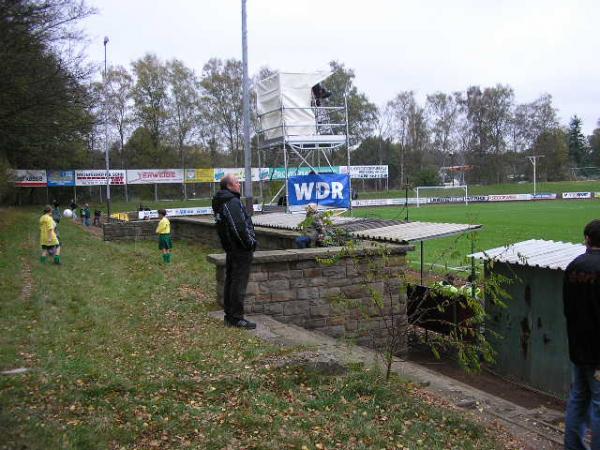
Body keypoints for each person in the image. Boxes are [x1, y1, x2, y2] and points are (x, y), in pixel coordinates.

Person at [563, 219, 600, 450]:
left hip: (578, 347)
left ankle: (573, 446)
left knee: (578, 399)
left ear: (587, 238)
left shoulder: (573, 266)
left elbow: (567, 308)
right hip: (598, 352)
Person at [212, 174, 257, 329]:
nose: (239, 185)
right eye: (237, 182)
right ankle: (236, 318)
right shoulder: (231, 201)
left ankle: (230, 315)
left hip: (232, 248)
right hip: (240, 249)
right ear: (229, 186)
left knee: (231, 281)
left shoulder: (222, 201)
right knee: (238, 283)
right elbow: (238, 227)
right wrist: (250, 243)